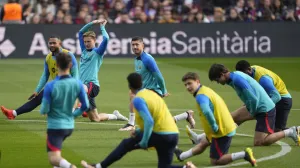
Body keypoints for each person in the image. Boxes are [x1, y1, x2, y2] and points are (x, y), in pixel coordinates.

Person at [81, 72, 195, 168]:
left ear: (130, 87)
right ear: (142, 83)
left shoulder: (138, 99)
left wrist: (145, 141)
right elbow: (157, 118)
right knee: (164, 166)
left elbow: (149, 121)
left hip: (161, 134)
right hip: (173, 134)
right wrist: (140, 132)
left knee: (126, 144)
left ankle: (99, 166)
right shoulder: (152, 94)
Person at [174, 72, 256, 167]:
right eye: (185, 85)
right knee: (203, 143)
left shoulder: (201, 96)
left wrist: (214, 127)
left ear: (197, 81)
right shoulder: (205, 90)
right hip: (224, 125)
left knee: (216, 161)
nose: (188, 87)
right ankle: (181, 156)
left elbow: (207, 111)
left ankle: (244, 154)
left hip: (221, 130)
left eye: (189, 83)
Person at [208, 64, 300, 146]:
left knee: (259, 142)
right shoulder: (234, 75)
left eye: (217, 80)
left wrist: (252, 112)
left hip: (264, 109)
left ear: (222, 74)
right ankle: (205, 138)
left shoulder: (237, 80)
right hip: (256, 105)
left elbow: (253, 98)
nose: (218, 82)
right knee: (230, 117)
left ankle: (291, 132)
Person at [119, 36, 195, 131]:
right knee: (133, 95)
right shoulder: (137, 59)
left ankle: (186, 115)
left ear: (143, 45)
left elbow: (158, 76)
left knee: (157, 124)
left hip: (153, 91)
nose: (134, 47)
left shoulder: (147, 59)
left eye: (137, 44)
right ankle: (186, 115)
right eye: (133, 45)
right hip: (144, 92)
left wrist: (164, 91)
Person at [1, 36, 79, 119]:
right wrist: (37, 91)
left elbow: (75, 73)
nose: (52, 45)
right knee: (37, 99)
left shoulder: (68, 55)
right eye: (50, 43)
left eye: (54, 43)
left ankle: (78, 109)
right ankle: (13, 113)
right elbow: (45, 75)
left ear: (59, 44)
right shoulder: (48, 58)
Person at [40, 52, 89, 168]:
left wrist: (46, 111)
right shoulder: (77, 84)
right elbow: (85, 105)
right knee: (57, 155)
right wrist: (74, 115)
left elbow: (44, 109)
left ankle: (70, 166)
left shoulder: (51, 86)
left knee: (53, 159)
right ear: (71, 65)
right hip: (69, 126)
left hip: (55, 126)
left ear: (56, 65)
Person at [78, 19, 128, 122]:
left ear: (94, 41)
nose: (86, 44)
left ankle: (76, 107)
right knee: (95, 119)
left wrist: (102, 27)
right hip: (85, 88)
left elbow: (106, 39)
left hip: (92, 86)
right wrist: (93, 22)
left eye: (89, 41)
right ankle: (115, 116)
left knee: (78, 88)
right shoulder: (83, 51)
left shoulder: (98, 52)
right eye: (85, 42)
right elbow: (80, 32)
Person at [235, 60, 292, 132]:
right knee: (247, 108)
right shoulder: (252, 70)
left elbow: (277, 96)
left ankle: (295, 130)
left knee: (277, 131)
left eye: (245, 74)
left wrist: (265, 107)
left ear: (249, 69)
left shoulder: (263, 79)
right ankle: (233, 127)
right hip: (269, 96)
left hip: (282, 101)